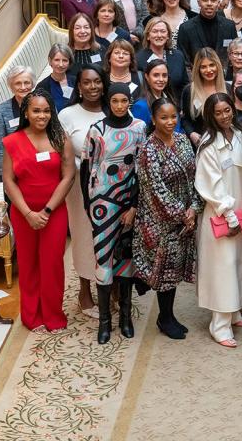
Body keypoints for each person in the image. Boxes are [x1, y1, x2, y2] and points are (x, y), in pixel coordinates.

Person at [2, 90, 75, 333]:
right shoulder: (12, 141)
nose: (42, 115)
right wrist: (28, 213)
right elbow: (9, 180)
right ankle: (32, 316)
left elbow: (68, 176)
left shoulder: (60, 138)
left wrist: (45, 210)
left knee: (52, 264)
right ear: (26, 112)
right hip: (23, 214)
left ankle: (53, 315)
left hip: (53, 212)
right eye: (36, 110)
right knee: (28, 263)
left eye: (46, 110)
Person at [82, 83, 147, 343]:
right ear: (108, 101)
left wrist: (134, 206)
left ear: (129, 101)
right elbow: (86, 169)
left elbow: (141, 171)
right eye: (115, 101)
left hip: (128, 201)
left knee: (126, 258)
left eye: (124, 100)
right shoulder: (97, 130)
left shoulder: (140, 128)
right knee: (103, 259)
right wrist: (89, 206)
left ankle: (125, 318)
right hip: (101, 203)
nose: (119, 105)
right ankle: (105, 322)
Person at [132, 98, 202, 339]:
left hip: (185, 217)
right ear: (153, 119)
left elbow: (195, 176)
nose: (170, 122)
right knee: (165, 273)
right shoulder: (149, 149)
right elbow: (155, 190)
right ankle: (165, 317)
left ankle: (169, 315)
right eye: (164, 117)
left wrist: (194, 207)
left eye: (174, 117)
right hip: (161, 221)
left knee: (176, 269)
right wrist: (182, 215)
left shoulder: (183, 140)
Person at [194, 94, 242, 347]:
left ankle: (234, 310)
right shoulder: (208, 145)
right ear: (210, 115)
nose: (224, 116)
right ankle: (219, 325)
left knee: (241, 263)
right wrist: (229, 216)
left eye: (227, 110)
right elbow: (211, 187)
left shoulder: (240, 135)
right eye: (218, 112)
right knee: (223, 268)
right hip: (222, 214)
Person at [59, 66, 106, 318]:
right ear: (78, 86)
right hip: (79, 187)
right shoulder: (67, 115)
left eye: (97, 81)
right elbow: (62, 155)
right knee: (84, 236)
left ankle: (111, 287)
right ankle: (85, 290)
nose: (92, 87)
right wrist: (85, 165)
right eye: (87, 82)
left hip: (111, 188)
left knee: (110, 236)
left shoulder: (114, 107)